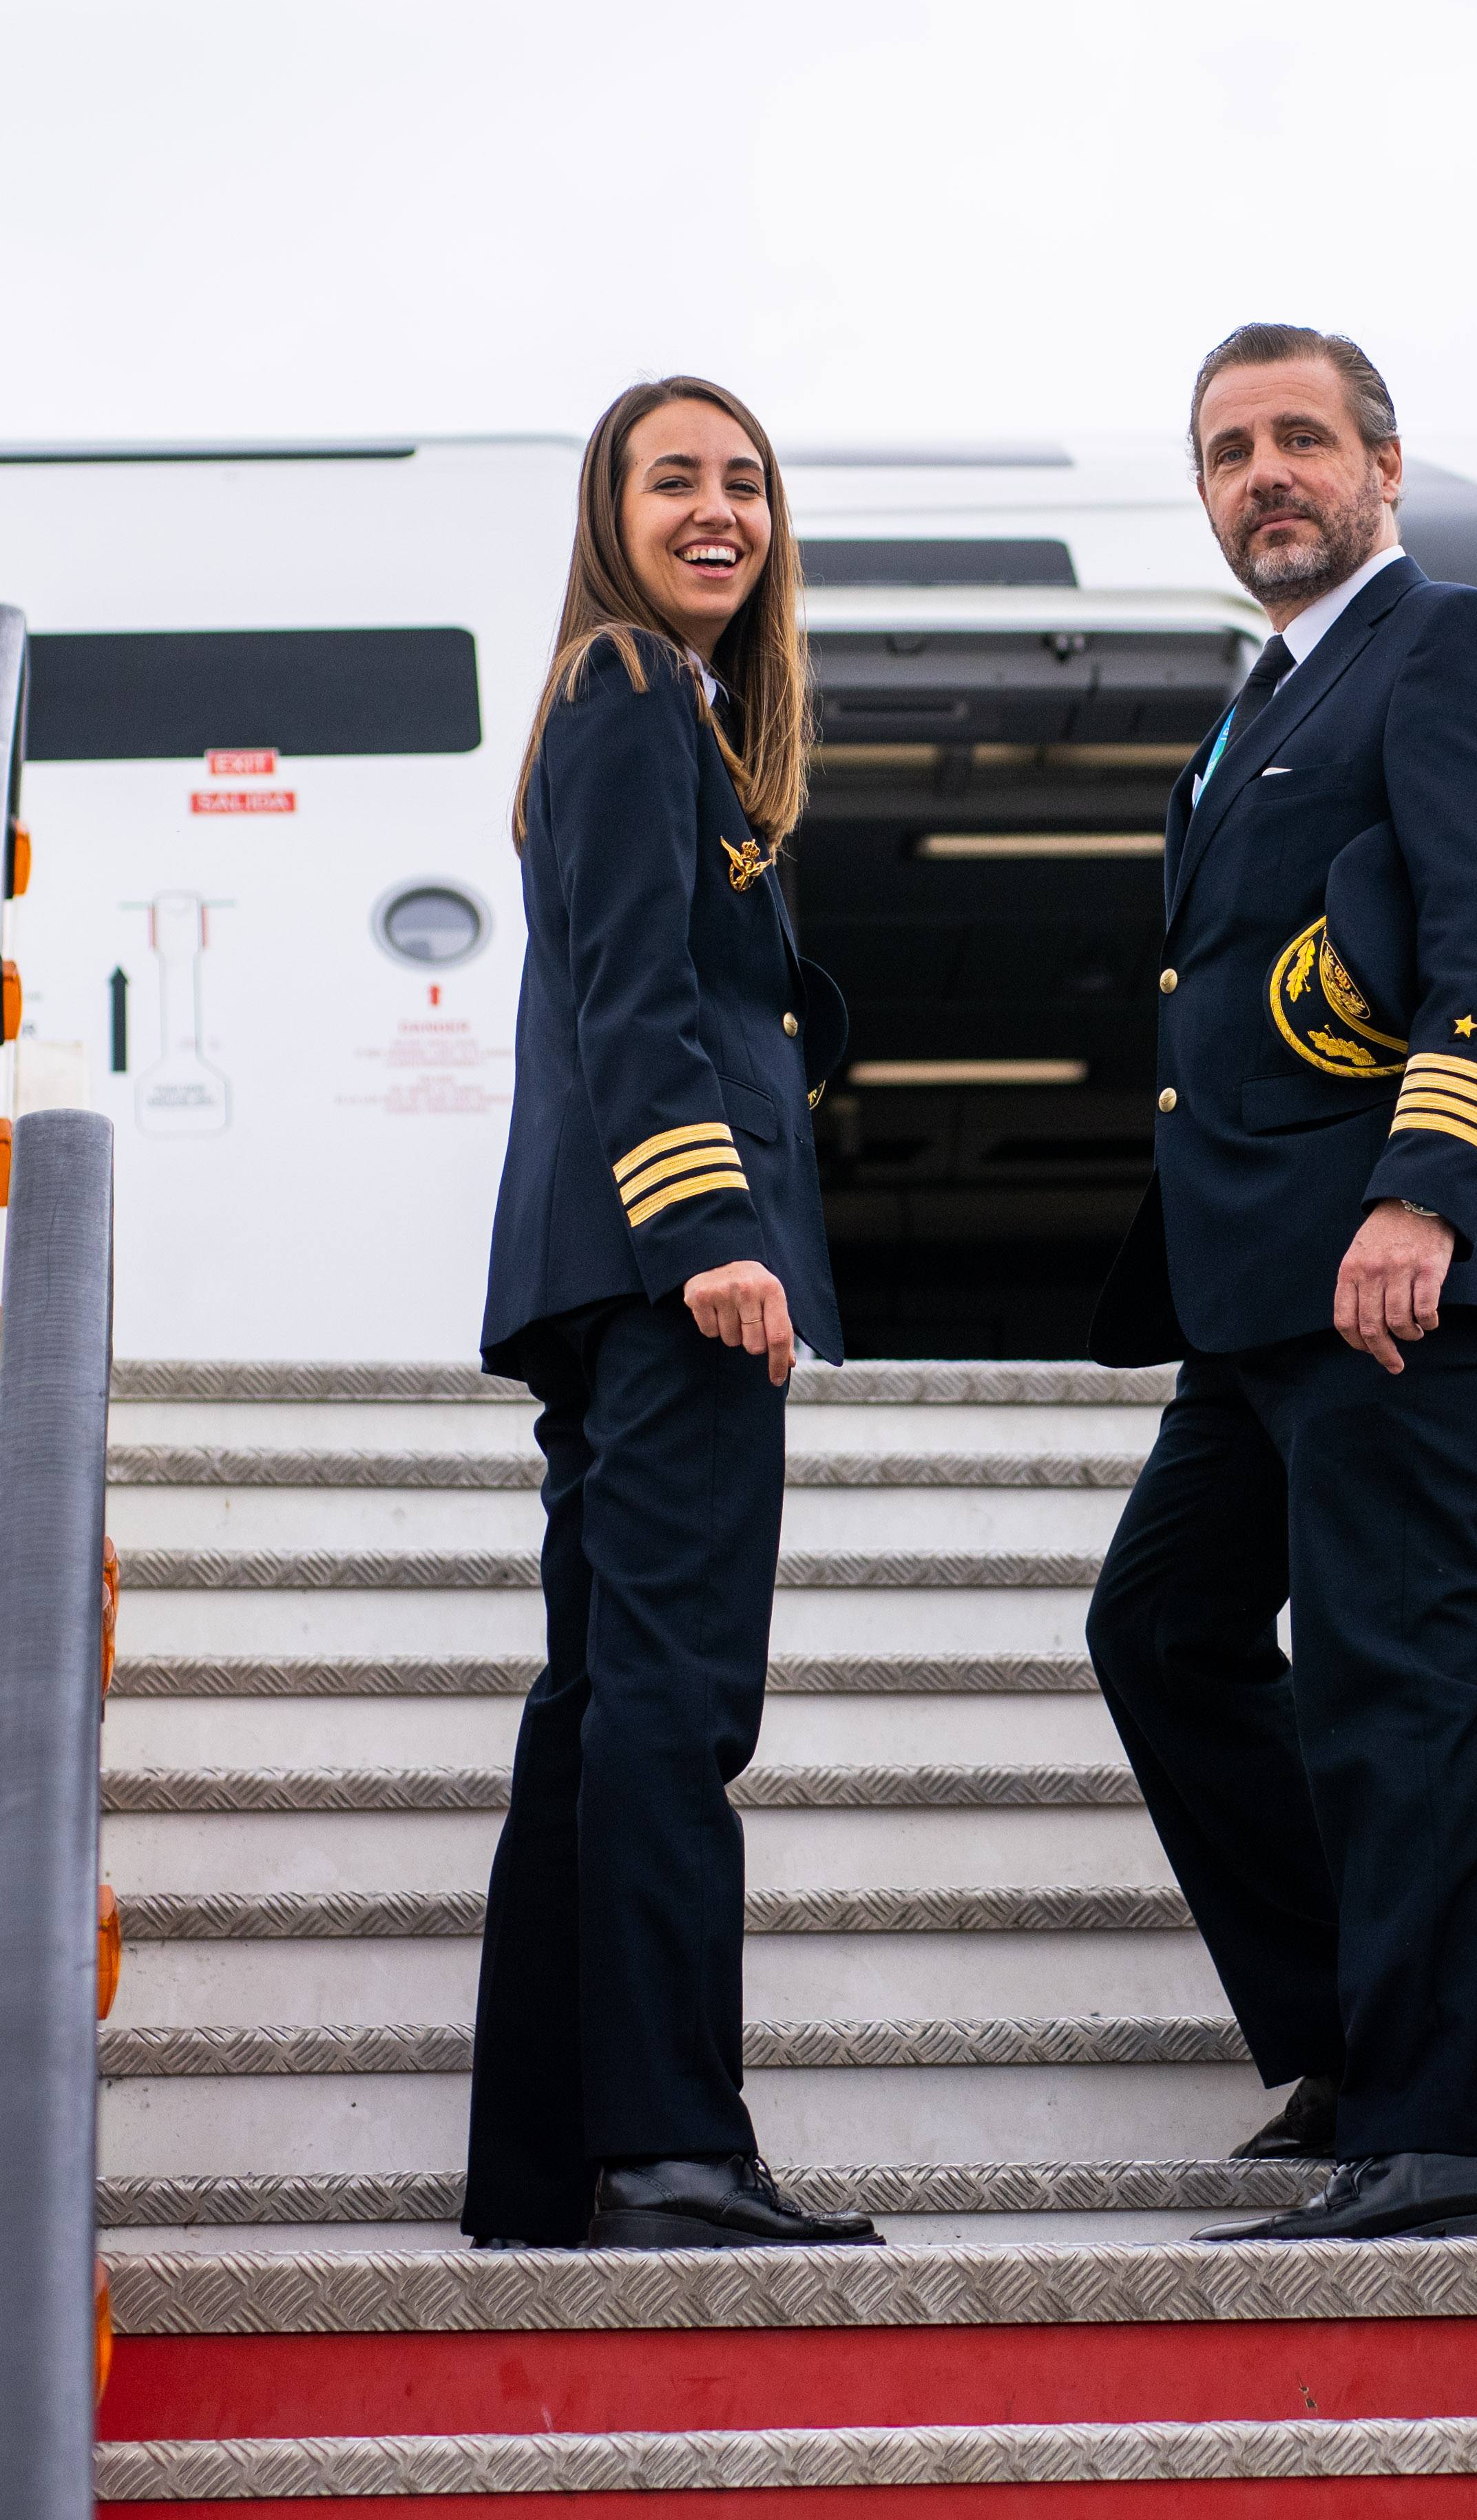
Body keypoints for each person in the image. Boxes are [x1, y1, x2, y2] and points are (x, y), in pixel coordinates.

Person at [1083, 323, 1477, 2245]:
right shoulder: (1259, 701)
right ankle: (1356, 2053)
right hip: (1260, 1305)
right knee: (1160, 1633)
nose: (1264, 476)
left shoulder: (1446, 642)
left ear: (1388, 461)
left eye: (1303, 438)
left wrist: (1427, 1187)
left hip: (1391, 1272)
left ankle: (1454, 2141)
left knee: (1396, 1683)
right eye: (1228, 452)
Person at [459, 377, 882, 2253]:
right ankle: (676, 2154)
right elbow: (634, 989)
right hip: (669, 1277)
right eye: (673, 480)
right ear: (606, 512)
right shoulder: (631, 691)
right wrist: (714, 1226)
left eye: (745, 483)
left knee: (601, 1705)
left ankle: (555, 2165)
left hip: (604, 1276)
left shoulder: (655, 708)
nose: (718, 510)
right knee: (673, 1711)